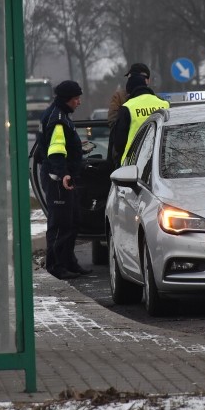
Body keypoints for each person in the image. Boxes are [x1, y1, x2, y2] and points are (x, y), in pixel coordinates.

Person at [36, 80, 93, 280]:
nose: (78, 102)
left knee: (72, 221)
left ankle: (69, 262)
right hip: (58, 179)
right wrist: (63, 174)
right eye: (76, 99)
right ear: (67, 99)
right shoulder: (58, 120)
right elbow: (56, 151)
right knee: (60, 224)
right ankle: (56, 266)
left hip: (62, 177)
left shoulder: (59, 116)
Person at [111, 73, 170, 165]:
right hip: (163, 158)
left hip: (134, 161)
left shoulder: (127, 107)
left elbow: (119, 143)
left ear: (130, 91)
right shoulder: (164, 104)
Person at [107, 63, 151, 162]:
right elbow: (113, 122)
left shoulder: (153, 97)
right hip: (126, 152)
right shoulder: (119, 96)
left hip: (150, 150)